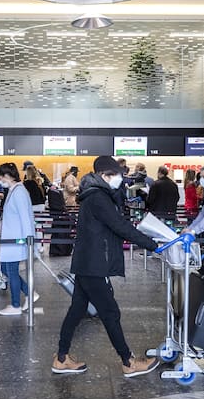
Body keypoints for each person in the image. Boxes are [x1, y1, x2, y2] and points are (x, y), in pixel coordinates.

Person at [53, 156, 159, 378]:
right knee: (110, 312)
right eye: (117, 175)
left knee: (77, 309)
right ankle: (128, 362)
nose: (120, 179)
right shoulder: (98, 198)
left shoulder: (96, 195)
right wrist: (152, 244)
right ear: (104, 176)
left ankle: (61, 358)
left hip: (87, 262)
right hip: (94, 265)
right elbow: (119, 226)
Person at [0, 163, 38, 316]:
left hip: (17, 239)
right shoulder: (13, 190)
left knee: (11, 270)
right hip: (10, 239)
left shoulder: (19, 192)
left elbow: (26, 218)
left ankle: (15, 305)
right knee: (5, 269)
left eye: (0, 177)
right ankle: (29, 292)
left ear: (7, 176)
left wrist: (29, 240)